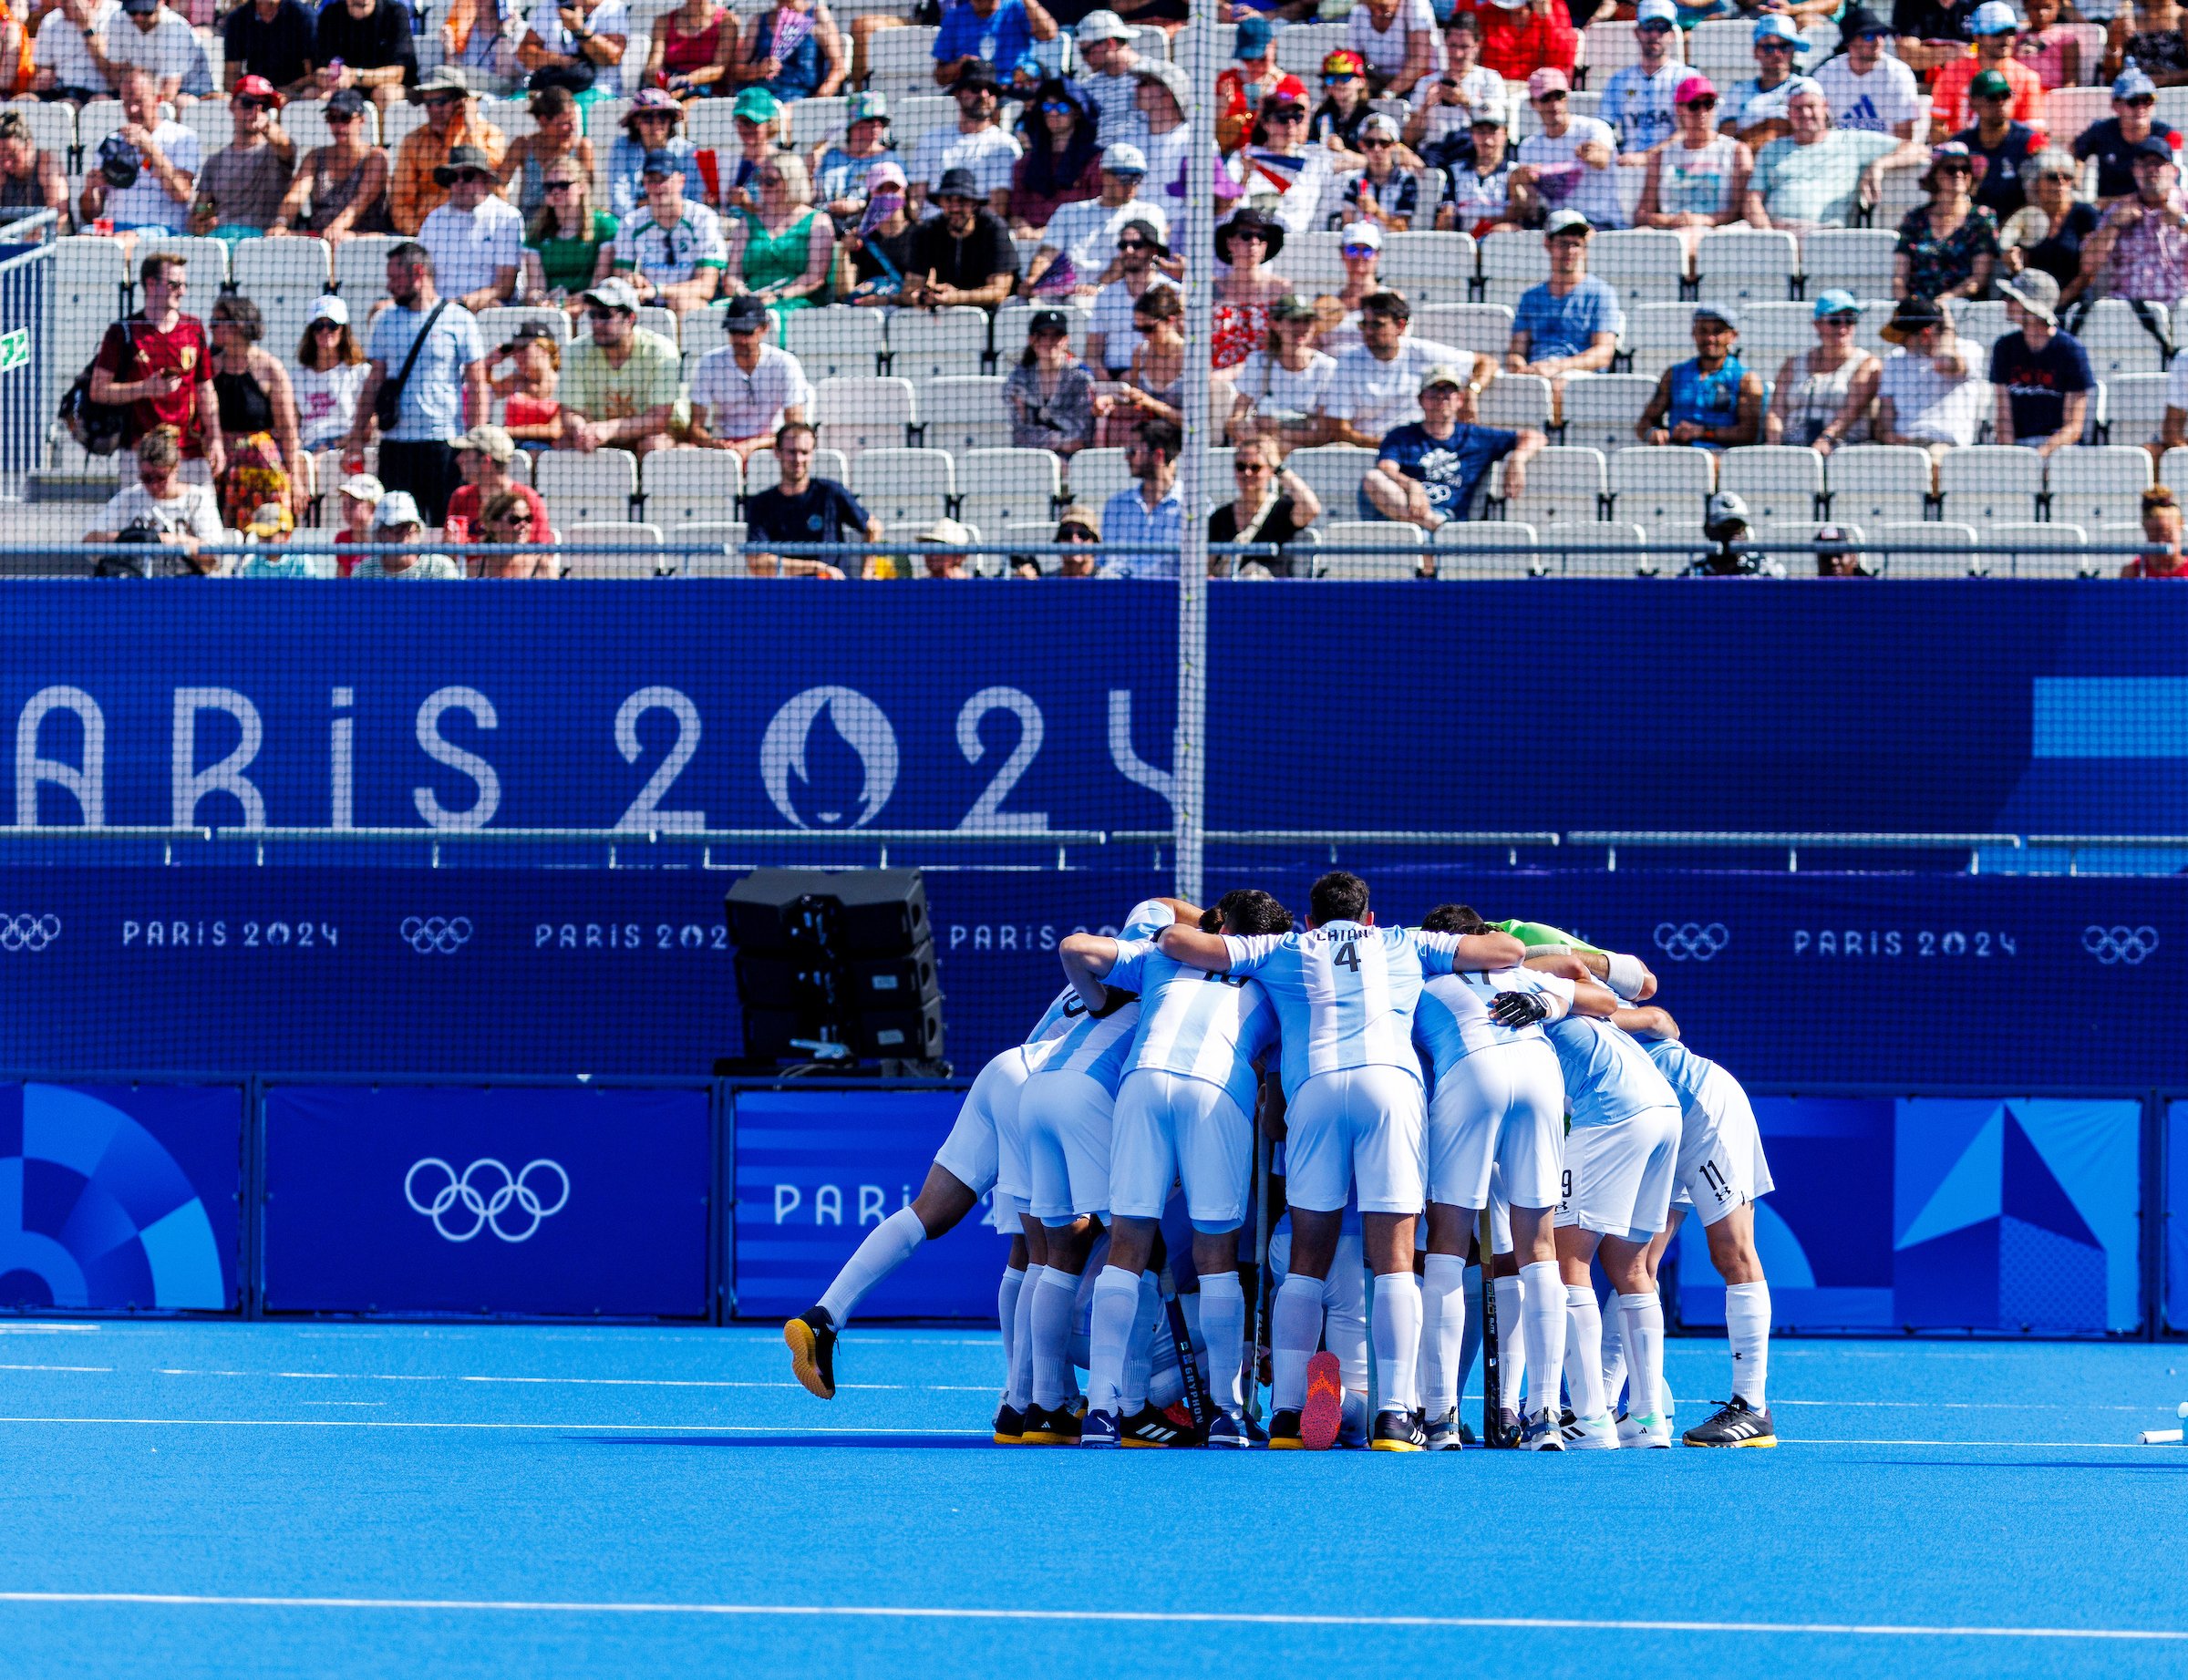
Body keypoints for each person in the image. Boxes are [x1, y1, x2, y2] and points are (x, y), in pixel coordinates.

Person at [1156, 871, 1526, 1452]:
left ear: (1309, 919)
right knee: (1396, 1260)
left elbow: (1180, 942)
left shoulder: (1284, 948)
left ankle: (1283, 1417)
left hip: (1317, 1091)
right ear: (1369, 918)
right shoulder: (1404, 942)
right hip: (1390, 1088)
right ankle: (1394, 1419)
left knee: (1306, 1260)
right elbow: (1509, 950)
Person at [777, 902, 1192, 1417]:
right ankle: (1032, 1403)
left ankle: (825, 1314)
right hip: (1054, 1083)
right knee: (1051, 1251)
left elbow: (1164, 905)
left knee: (931, 1214)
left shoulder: (1117, 950)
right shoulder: (1162, 971)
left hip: (1007, 1069)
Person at [1052, 892, 1289, 1447]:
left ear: (1217, 924)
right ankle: (1228, 1414)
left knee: (1127, 1249)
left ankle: (1105, 1410)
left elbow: (1074, 948)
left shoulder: (1162, 956)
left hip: (1142, 1084)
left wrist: (1099, 1006)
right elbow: (1275, 1105)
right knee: (1216, 1257)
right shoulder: (1275, 977)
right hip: (1216, 1091)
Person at [1401, 906, 1590, 1449]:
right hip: (1539, 1078)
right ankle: (1546, 1416)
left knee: (1447, 1245)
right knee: (1539, 1247)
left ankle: (1437, 1418)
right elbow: (1583, 992)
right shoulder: (1521, 974)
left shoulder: (1418, 976)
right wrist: (1547, 1003)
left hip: (1471, 1074)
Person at [346, 242, 490, 525]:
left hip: (443, 442)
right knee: (395, 526)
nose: (390, 286)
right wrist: (356, 433)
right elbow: (374, 381)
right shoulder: (385, 321)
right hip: (396, 445)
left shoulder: (458, 319)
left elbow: (477, 383)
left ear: (418, 273)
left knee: (444, 523)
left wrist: (475, 439)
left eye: (395, 278)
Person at [90, 250, 222, 486]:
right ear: (151, 284)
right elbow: (98, 390)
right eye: (174, 284)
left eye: (184, 284)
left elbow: (205, 389)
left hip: (189, 450)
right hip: (141, 454)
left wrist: (215, 439)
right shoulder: (123, 332)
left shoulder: (193, 328)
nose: (181, 291)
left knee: (199, 520)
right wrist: (145, 388)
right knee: (139, 522)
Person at [1366, 362, 1543, 533]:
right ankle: (1438, 527)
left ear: (1459, 399)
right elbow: (1386, 468)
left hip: (1451, 515)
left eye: (1448, 390)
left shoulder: (1476, 437)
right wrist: (1411, 485)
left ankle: (1443, 531)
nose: (1441, 396)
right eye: (1434, 390)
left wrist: (1517, 459)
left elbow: (1535, 436)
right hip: (1407, 515)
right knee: (1373, 479)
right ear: (1421, 399)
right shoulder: (1401, 436)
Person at [1746, 83, 1925, 232]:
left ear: (1825, 107)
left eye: (1811, 106)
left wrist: (1879, 165)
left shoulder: (1850, 141)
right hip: (1778, 235)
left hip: (1827, 236)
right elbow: (1752, 199)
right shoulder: (1772, 149)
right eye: (1798, 108)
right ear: (1788, 113)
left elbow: (1918, 150)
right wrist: (1769, 237)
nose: (1805, 114)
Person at [1323, 286, 1477, 448]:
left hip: (1417, 450)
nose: (1368, 331)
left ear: (1400, 326)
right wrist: (1388, 446)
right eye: (1364, 324)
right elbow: (1339, 429)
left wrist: (1472, 390)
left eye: (1377, 325)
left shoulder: (1423, 352)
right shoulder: (1348, 362)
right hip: (1367, 451)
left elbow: (1485, 362)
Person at [1506, 210, 1622, 408]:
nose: (1570, 251)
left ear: (1584, 249)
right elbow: (1517, 349)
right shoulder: (1531, 296)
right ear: (1548, 245)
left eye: (1576, 244)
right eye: (1563, 244)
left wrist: (1556, 367)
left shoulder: (1601, 293)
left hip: (1578, 377)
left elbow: (1604, 353)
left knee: (1557, 387)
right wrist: (1518, 364)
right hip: (1536, 373)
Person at [207, 293, 304, 527]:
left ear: (239, 325)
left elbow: (288, 429)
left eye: (219, 322)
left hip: (261, 468)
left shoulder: (269, 368)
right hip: (223, 468)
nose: (212, 327)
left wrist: (297, 480)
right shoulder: (211, 368)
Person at [2080, 136, 2188, 344]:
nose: (2151, 170)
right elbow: (2087, 267)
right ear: (2134, 171)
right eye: (2144, 165)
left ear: (2173, 171)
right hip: (2131, 317)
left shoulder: (2185, 204)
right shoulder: (2118, 210)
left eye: (2158, 164)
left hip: (2181, 310)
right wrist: (2113, 225)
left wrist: (2183, 222)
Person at [556, 276, 677, 455]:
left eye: (605, 315)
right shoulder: (575, 351)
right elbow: (569, 413)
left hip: (647, 435)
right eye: (592, 315)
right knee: (564, 445)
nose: (597, 323)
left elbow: (659, 419)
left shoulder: (661, 351)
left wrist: (609, 429)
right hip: (596, 436)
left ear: (630, 318)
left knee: (655, 445)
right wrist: (582, 430)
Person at [743, 418, 880, 577]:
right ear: (777, 452)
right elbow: (758, 563)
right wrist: (817, 567)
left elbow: (873, 527)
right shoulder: (762, 504)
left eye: (805, 452)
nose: (798, 460)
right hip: (784, 594)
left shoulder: (830, 492)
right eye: (792, 452)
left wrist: (867, 575)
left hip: (831, 590)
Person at [1636, 76, 1752, 260]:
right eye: (1694, 105)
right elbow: (1642, 213)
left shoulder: (1736, 151)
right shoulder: (1662, 156)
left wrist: (1705, 220)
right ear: (1679, 109)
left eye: (1708, 104)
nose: (1702, 112)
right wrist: (1671, 220)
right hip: (1671, 234)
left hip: (1716, 234)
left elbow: (1740, 209)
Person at [1025, 142, 1162, 296]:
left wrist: (1097, 285)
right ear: (1103, 174)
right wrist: (1033, 281)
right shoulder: (1068, 211)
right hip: (1063, 291)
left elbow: (1129, 259)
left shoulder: (1150, 213)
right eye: (1124, 177)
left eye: (1137, 177)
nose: (1130, 184)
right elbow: (1047, 254)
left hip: (1116, 294)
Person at [81, 426, 224, 572]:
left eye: (161, 478)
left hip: (187, 585)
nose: (154, 485)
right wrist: (133, 539)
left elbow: (214, 554)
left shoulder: (198, 499)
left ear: (175, 467)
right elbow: (89, 540)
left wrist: (162, 540)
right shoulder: (129, 498)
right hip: (136, 585)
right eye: (147, 478)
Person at [687, 292, 811, 459]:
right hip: (724, 450)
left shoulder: (785, 363)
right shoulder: (708, 363)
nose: (740, 339)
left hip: (772, 449)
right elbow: (695, 428)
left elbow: (795, 428)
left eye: (746, 332)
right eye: (734, 331)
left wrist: (753, 445)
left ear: (764, 328)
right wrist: (714, 443)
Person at [80, 67, 201, 237]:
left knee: (121, 242)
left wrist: (149, 147)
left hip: (162, 227)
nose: (133, 110)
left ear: (157, 99)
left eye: (139, 102)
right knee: (81, 241)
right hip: (112, 225)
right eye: (127, 103)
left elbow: (182, 193)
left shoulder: (182, 137)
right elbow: (89, 215)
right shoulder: (110, 142)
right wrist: (90, 190)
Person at [604, 151, 727, 314]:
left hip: (691, 305)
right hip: (647, 303)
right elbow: (621, 277)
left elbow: (706, 287)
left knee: (681, 302)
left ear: (681, 181)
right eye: (651, 180)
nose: (657, 187)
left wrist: (657, 290)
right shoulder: (631, 222)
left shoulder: (702, 218)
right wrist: (631, 280)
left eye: (664, 179)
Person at [390, 68, 507, 235]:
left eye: (441, 102)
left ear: (461, 102)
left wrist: (470, 128)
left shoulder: (490, 133)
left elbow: (490, 175)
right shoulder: (412, 141)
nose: (434, 110)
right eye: (428, 104)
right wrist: (419, 233)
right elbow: (401, 198)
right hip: (428, 230)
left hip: (480, 229)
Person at [1989, 268, 2090, 458]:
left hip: (2060, 451)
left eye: (2012, 299)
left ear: (2031, 308)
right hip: (2017, 449)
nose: (2005, 302)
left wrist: (2040, 456)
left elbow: (2073, 427)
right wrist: (2013, 459)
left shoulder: (2071, 350)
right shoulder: (2004, 347)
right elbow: (2003, 417)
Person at [266, 88, 390, 242]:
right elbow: (296, 194)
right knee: (279, 238)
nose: (338, 126)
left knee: (344, 238)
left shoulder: (376, 157)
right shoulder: (315, 157)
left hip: (362, 238)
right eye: (332, 118)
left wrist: (337, 227)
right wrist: (281, 222)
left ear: (362, 121)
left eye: (344, 118)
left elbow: (360, 202)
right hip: (321, 237)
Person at [1636, 304, 1763, 451]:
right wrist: (1653, 433)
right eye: (1703, 331)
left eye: (1717, 332)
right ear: (1694, 334)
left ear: (1733, 336)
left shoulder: (1746, 379)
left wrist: (1704, 431)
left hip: (1721, 455)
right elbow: (1644, 423)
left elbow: (1749, 434)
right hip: (1676, 452)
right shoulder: (1674, 374)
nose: (1709, 338)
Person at [1873, 294, 1987, 457]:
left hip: (1946, 448)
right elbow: (1886, 408)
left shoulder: (1969, 350)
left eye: (1904, 337)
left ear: (1925, 334)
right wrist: (1889, 436)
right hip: (1902, 445)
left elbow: (1944, 364)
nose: (1899, 342)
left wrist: (1947, 329)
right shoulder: (1894, 359)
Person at [1767, 289, 1881, 450]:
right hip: (1793, 447)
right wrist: (1775, 446)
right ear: (1818, 324)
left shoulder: (1868, 364)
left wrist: (1826, 438)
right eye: (1835, 320)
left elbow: (1851, 410)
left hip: (1844, 449)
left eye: (1849, 320)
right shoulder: (1793, 363)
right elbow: (1776, 411)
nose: (1843, 327)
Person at [726, 149, 832, 321]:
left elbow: (815, 276)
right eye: (759, 180)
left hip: (796, 303)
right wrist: (744, 295)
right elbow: (732, 274)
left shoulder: (818, 221)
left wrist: (778, 296)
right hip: (750, 301)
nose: (762, 187)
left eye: (770, 181)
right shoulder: (747, 222)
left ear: (791, 181)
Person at [419, 144, 525, 313]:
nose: (460, 183)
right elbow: (423, 275)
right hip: (436, 308)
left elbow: (504, 287)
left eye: (467, 176)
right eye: (454, 176)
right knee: (380, 309)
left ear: (485, 179)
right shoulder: (433, 220)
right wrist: (435, 305)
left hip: (484, 308)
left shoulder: (507, 217)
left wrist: (459, 304)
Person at [1515, 67, 1624, 232]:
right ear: (1533, 103)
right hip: (1555, 226)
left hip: (1600, 223)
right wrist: (1519, 181)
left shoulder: (1594, 128)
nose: (1554, 105)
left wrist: (1593, 155)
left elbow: (1603, 160)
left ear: (1567, 97)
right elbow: (1531, 208)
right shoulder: (1529, 147)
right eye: (1546, 98)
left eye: (1559, 96)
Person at [909, 63, 1021, 218]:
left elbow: (997, 208)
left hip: (979, 235)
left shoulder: (1005, 145)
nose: (984, 95)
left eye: (990, 90)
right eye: (975, 88)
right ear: (958, 93)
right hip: (931, 233)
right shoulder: (931, 140)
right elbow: (916, 200)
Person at [1227, 293, 1335, 454]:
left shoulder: (1327, 367)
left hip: (1309, 454)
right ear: (1275, 324)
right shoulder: (1258, 361)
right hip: (1261, 451)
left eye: (1307, 321)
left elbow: (1325, 433)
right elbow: (1236, 419)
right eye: (1294, 321)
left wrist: (1277, 433)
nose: (1301, 328)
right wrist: (1249, 431)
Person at [1232, 75, 1336, 242]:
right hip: (1258, 245)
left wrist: (1342, 148)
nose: (1291, 125)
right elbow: (1232, 208)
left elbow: (1365, 161)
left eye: (1297, 117)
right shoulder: (1243, 158)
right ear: (1265, 123)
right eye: (1282, 118)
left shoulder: (1314, 159)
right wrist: (1245, 176)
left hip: (1303, 248)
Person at [191, 75, 295, 241]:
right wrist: (203, 219)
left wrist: (267, 126)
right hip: (221, 235)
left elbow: (285, 145)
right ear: (232, 105)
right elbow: (200, 210)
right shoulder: (214, 161)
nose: (256, 111)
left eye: (264, 106)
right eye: (248, 103)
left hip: (261, 240)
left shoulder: (275, 153)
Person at [442, 423, 553, 572]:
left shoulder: (529, 499)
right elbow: (449, 556)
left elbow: (542, 554)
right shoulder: (460, 497)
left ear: (486, 461)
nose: (459, 459)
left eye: (466, 453)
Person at [1895, 141, 1999, 302]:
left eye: (1965, 169)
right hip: (1918, 311)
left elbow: (1979, 279)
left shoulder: (1981, 218)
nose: (1959, 174)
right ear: (1935, 175)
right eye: (1950, 169)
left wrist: (1944, 300)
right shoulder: (1914, 219)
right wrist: (1908, 306)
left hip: (1962, 309)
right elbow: (1899, 278)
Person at [904, 167, 1019, 309]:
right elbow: (911, 288)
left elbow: (999, 291)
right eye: (948, 200)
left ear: (974, 203)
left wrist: (956, 297)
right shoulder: (926, 231)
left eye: (962, 201)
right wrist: (921, 296)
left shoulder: (994, 228)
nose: (955, 208)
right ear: (940, 202)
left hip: (991, 314)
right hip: (943, 315)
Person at [1929, 1, 2044, 137]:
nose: (2007, 39)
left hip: (2009, 155)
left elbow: (2033, 134)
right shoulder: (1953, 73)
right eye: (1997, 33)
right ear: (1977, 37)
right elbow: (1936, 129)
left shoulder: (2027, 78)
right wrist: (1961, 150)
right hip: (1964, 154)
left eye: (2011, 32)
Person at [2000, 150, 2099, 307]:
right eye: (2053, 177)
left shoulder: (2085, 214)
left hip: (2075, 302)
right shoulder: (2027, 216)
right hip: (2034, 302)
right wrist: (2015, 266)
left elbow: (2088, 272)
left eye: (2067, 177)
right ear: (2036, 182)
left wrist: (2059, 302)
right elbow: (2023, 268)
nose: (2061, 183)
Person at [1006, 77, 1101, 239]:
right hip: (1029, 242)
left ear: (1077, 112)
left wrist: (1048, 233)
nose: (1053, 113)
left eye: (1062, 107)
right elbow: (1015, 213)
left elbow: (1097, 212)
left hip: (1076, 242)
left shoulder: (1095, 161)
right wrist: (1021, 226)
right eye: (1047, 106)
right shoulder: (1026, 163)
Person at [1209, 438, 1319, 574]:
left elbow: (1311, 508)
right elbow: (1208, 567)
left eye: (1255, 467)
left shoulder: (1282, 510)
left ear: (1270, 471)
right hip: (1231, 592)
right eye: (1240, 467)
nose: (1247, 473)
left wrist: (1279, 467)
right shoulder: (1220, 517)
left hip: (1271, 591)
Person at [1408, 11, 1501, 171]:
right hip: (1433, 156)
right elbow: (1409, 139)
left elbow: (1497, 127)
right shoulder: (1426, 83)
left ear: (1477, 46)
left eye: (1464, 47)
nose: (1457, 54)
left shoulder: (1490, 79)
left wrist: (1466, 102)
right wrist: (1425, 107)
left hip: (1471, 154)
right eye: (1452, 46)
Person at [2073, 71, 2182, 205]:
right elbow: (2075, 153)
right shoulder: (2100, 131)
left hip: (2155, 207)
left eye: (2147, 100)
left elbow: (2176, 181)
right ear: (2115, 105)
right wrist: (2076, 185)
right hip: (2110, 210)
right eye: (2133, 101)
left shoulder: (2168, 135)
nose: (2141, 108)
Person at [1095, 282, 1184, 441]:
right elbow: (1136, 400)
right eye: (1138, 329)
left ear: (1170, 321)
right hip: (1146, 440)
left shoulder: (1192, 356)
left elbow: (1194, 421)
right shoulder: (1140, 353)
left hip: (1181, 440)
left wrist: (1152, 404)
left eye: (1149, 329)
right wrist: (1111, 400)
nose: (1144, 335)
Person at [1953, 68, 2047, 221]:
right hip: (1974, 227)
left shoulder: (2029, 141)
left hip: (2020, 227)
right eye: (1992, 97)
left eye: (2005, 95)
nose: (2000, 102)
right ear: (1973, 102)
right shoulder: (1961, 145)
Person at [1814, 6, 1920, 141]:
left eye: (1881, 33)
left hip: (1886, 154)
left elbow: (1904, 138)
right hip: (1841, 154)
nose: (1878, 41)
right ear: (1850, 42)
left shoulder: (1899, 73)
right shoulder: (1826, 74)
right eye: (1868, 36)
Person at [1084, 217, 1174, 374]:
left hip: (1155, 376)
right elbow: (1092, 354)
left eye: (1137, 245)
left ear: (1153, 250)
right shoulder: (1106, 295)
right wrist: (1105, 379)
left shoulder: (1171, 291)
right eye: (1123, 245)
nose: (1129, 250)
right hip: (1111, 378)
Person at [1004, 305, 1096, 455]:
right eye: (1042, 335)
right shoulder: (1018, 379)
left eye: (1056, 335)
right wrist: (1058, 442)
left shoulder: (1080, 378)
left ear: (1066, 340)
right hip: (1028, 456)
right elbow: (1019, 432)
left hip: (1072, 458)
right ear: (1031, 340)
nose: (1049, 341)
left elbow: (1083, 434)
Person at [1099, 417, 1185, 577]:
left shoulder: (1193, 506)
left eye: (1132, 451)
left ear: (1158, 455)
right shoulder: (1116, 506)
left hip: (1172, 598)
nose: (1127, 457)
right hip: (1121, 597)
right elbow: (1104, 562)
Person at [1601, 0, 1686, 160]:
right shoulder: (1618, 81)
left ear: (1672, 34)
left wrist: (1647, 157)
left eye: (1662, 27)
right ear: (1637, 32)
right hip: (1626, 165)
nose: (1654, 34)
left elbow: (1690, 131)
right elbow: (1605, 127)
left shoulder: (1687, 78)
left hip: (1672, 166)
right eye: (1648, 26)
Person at [1210, 206, 1293, 371]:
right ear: (1230, 242)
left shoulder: (1281, 289)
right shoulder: (1214, 288)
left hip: (1264, 374)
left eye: (1261, 237)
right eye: (1246, 236)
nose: (1254, 242)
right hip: (1216, 375)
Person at [498, 85, 593, 219]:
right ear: (543, 121)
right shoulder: (522, 145)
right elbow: (499, 184)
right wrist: (507, 215)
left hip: (568, 221)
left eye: (573, 121)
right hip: (530, 222)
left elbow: (588, 191)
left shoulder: (581, 147)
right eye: (565, 123)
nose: (572, 128)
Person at [291, 294, 370, 455]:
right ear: (311, 331)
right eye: (319, 325)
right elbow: (292, 424)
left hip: (347, 448)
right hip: (309, 450)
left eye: (332, 325)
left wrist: (339, 444)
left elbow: (371, 420)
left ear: (343, 329)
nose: (325, 331)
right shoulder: (296, 378)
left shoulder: (360, 372)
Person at [525, 162, 615, 303]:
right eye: (549, 187)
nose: (555, 191)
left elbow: (599, 286)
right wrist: (539, 301)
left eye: (563, 185)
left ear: (582, 187)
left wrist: (565, 303)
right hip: (551, 311)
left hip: (592, 309)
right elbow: (535, 287)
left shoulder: (605, 225)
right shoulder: (537, 232)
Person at [308, 0, 418, 113]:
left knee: (384, 94)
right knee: (311, 94)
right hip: (346, 88)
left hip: (390, 87)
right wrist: (328, 78)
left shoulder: (395, 12)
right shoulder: (330, 14)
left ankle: (382, 131)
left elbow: (397, 74)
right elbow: (318, 69)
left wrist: (354, 76)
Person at [1718, 16, 1807, 150]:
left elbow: (1808, 129)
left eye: (1784, 46)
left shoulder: (1805, 87)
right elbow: (1725, 137)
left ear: (1793, 50)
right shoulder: (1738, 90)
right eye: (1769, 47)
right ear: (1755, 52)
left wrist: (1754, 133)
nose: (1777, 54)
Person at [606, 89, 696, 221]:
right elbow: (618, 197)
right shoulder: (621, 147)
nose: (656, 124)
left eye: (662, 117)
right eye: (648, 117)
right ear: (636, 121)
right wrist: (639, 220)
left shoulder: (687, 150)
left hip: (677, 220)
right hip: (632, 222)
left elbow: (692, 196)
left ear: (670, 120)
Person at [106, 0, 212, 108]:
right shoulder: (118, 19)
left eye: (146, 12)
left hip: (188, 89)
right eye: (132, 12)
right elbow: (115, 70)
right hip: (144, 90)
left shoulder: (176, 28)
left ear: (160, 3)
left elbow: (169, 89)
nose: (139, 17)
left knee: (183, 103)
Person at [516, 0, 630, 99]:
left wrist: (579, 30)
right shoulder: (550, 5)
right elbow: (524, 54)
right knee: (517, 103)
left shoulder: (613, 7)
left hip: (597, 91)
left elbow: (612, 57)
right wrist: (561, 61)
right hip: (552, 89)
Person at [1439, 99, 1521, 237]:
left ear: (1505, 133)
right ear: (1472, 133)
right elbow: (1446, 217)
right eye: (1480, 131)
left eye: (1493, 131)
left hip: (1500, 244)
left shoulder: (1515, 172)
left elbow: (1522, 217)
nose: (1487, 139)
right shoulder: (1453, 171)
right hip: (1462, 245)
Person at [737, 0, 844, 103]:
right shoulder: (758, 20)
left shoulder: (817, 15)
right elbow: (737, 71)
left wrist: (818, 99)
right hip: (763, 97)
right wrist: (759, 70)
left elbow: (838, 68)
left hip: (801, 97)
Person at [933, 0, 1055, 89]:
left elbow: (1049, 33)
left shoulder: (1016, 8)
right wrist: (961, 65)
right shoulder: (954, 17)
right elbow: (940, 78)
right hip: (974, 91)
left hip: (1013, 88)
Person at [841, 159, 916, 303]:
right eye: (880, 189)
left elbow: (923, 289)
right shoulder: (860, 237)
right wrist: (843, 251)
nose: (887, 194)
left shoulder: (919, 234)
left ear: (904, 193)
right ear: (871, 195)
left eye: (893, 188)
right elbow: (844, 292)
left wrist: (886, 300)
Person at [812, 90, 894, 221]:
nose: (876, 126)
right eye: (869, 120)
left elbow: (896, 199)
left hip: (871, 225)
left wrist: (860, 205)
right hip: (827, 224)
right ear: (854, 124)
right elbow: (814, 196)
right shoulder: (830, 157)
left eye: (881, 121)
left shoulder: (891, 159)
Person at [1333, 114, 1420, 234]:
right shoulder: (1354, 181)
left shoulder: (1406, 180)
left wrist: (1376, 211)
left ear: (1394, 145)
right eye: (1370, 143)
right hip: (1362, 247)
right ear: (1361, 145)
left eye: (1384, 143)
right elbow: (1347, 225)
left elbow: (1402, 228)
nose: (1377, 149)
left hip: (1395, 247)